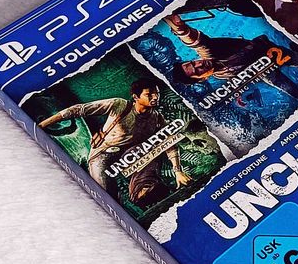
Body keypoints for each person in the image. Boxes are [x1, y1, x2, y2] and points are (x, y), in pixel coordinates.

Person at [38, 78, 191, 205]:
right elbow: (79, 109)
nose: (155, 97)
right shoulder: (120, 105)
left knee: (151, 148)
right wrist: (43, 125)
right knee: (107, 196)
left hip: (130, 156)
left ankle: (143, 190)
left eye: (156, 93)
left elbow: (169, 142)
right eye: (149, 94)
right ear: (136, 97)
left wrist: (177, 171)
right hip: (103, 155)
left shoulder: (157, 118)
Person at [163, 13, 298, 103]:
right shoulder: (219, 75)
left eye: (193, 62)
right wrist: (238, 95)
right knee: (292, 91)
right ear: (202, 79)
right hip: (263, 71)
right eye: (197, 71)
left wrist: (181, 29)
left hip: (268, 51)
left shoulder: (211, 53)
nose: (199, 64)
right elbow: (237, 81)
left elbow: (199, 44)